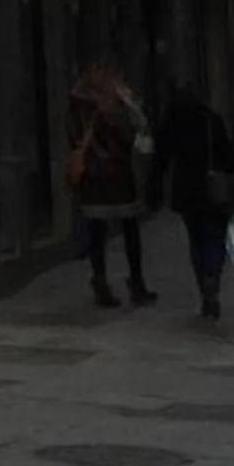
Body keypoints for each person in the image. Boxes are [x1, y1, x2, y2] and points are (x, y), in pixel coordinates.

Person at [67, 58, 156, 308]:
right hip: (105, 173)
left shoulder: (96, 101)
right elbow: (135, 128)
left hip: (111, 174)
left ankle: (117, 281)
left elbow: (140, 127)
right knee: (112, 230)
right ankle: (115, 282)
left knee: (119, 230)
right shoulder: (88, 104)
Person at [153, 79, 234, 322]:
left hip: (186, 189)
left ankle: (204, 284)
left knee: (196, 239)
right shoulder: (212, 120)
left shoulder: (172, 124)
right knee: (215, 237)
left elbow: (161, 159)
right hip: (214, 189)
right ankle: (212, 276)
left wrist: (156, 188)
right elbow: (227, 154)